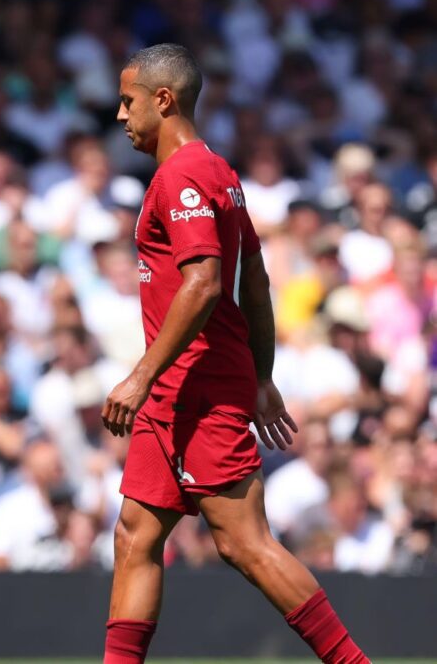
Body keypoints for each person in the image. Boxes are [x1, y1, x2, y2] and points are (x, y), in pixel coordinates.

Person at [100, 44, 367, 664]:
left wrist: (141, 376)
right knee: (135, 534)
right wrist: (264, 374)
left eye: (128, 100)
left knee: (245, 545)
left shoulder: (184, 176)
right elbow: (258, 281)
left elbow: (206, 283)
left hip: (195, 385)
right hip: (182, 386)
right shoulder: (218, 170)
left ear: (162, 100)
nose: (120, 115)